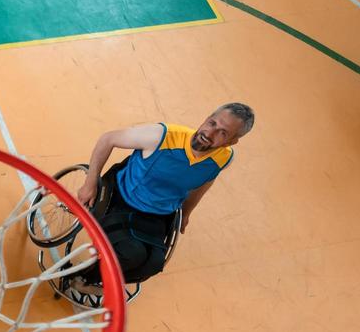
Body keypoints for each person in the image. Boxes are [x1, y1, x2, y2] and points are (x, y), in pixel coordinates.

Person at [73, 103, 254, 284]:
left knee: (153, 265)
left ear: (231, 142)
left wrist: (187, 212)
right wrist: (90, 183)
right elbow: (108, 139)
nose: (209, 133)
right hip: (123, 199)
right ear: (207, 118)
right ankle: (79, 276)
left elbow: (206, 180)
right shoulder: (162, 136)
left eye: (223, 133)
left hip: (160, 214)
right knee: (131, 254)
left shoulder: (223, 158)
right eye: (212, 123)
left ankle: (94, 277)